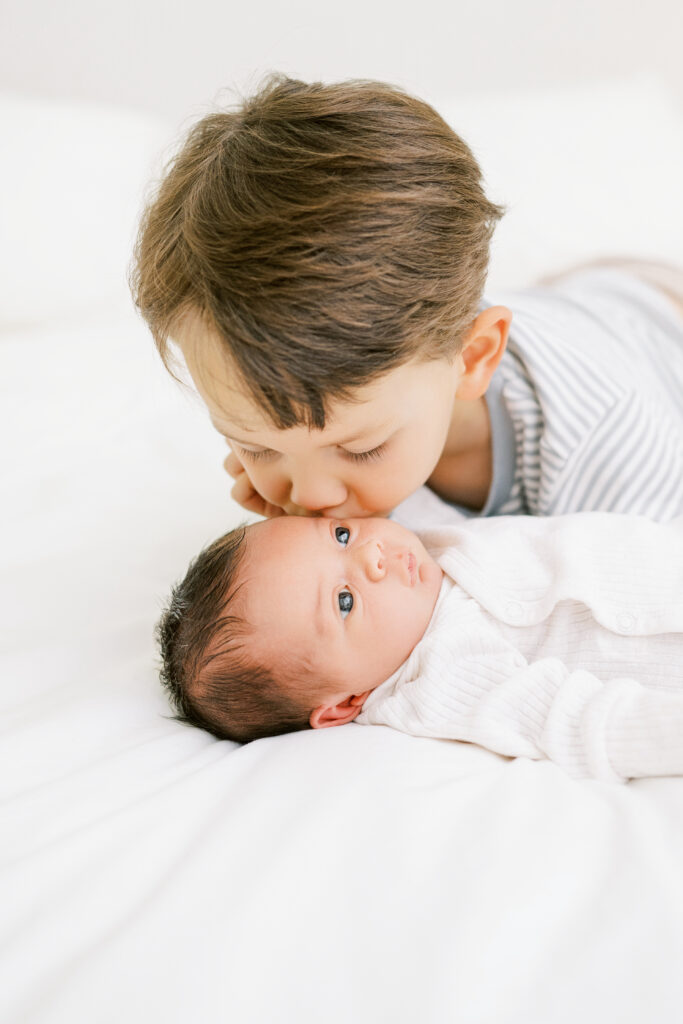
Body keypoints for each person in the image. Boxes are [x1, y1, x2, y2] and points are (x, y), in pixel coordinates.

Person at [130, 74, 683, 526]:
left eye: (362, 449)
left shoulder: (611, 441)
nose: (312, 495)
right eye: (257, 449)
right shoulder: (338, 431)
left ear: (473, 358)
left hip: (656, 315)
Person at [157, 511, 683, 783]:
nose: (372, 556)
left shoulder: (427, 550)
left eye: (339, 534)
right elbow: (585, 724)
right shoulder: (442, 678)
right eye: (344, 602)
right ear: (344, 703)